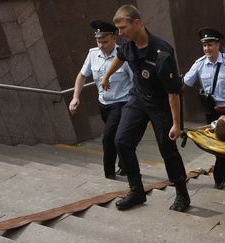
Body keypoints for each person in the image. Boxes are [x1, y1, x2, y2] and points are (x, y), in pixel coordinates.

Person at [100, 4, 190, 212]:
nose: (119, 33)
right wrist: (107, 76)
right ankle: (136, 191)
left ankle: (182, 194)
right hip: (139, 98)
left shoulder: (161, 52)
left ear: (138, 23)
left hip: (161, 103)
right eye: (118, 29)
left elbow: (173, 92)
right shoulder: (128, 44)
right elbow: (120, 57)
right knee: (121, 141)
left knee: (167, 149)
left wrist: (176, 124)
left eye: (123, 28)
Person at [68, 20, 132, 179]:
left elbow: (135, 81)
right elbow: (82, 76)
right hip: (103, 104)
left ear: (113, 39)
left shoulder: (124, 55)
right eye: (99, 41)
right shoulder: (92, 54)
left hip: (122, 103)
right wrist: (75, 97)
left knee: (108, 138)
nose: (101, 45)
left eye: (105, 42)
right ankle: (125, 164)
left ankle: (109, 174)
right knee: (118, 138)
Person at [183, 27, 225, 189]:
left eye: (210, 45)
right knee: (218, 146)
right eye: (204, 45)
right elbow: (185, 84)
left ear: (218, 45)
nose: (207, 48)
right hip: (212, 112)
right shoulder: (199, 65)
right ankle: (220, 177)